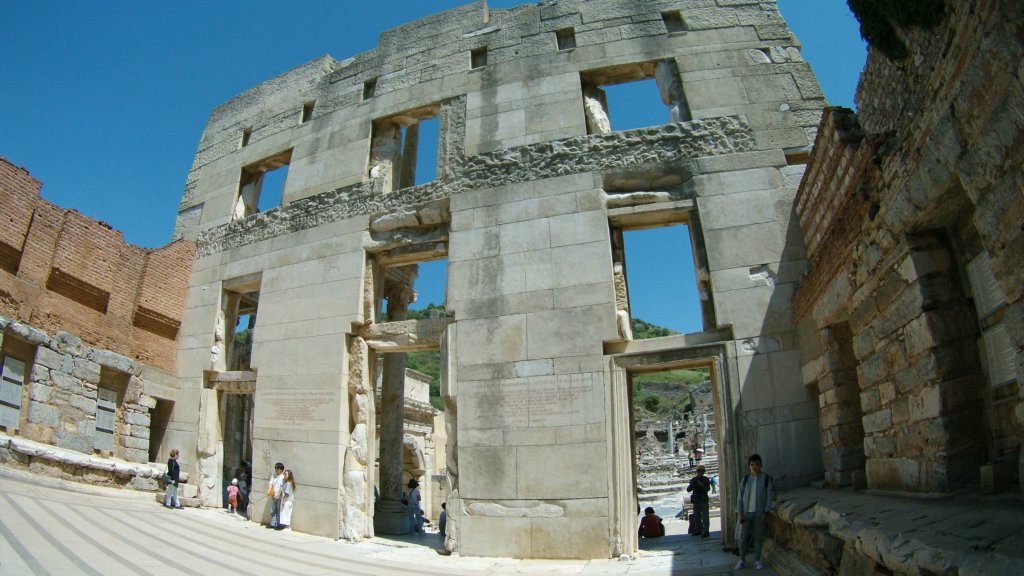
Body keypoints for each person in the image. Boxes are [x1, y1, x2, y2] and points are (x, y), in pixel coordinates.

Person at [735, 454, 775, 571]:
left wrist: (766, 512)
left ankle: (757, 560)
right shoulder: (745, 480)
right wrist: (740, 513)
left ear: (760, 465)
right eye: (752, 465)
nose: (754, 467)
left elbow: (769, 497)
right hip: (746, 514)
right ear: (749, 466)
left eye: (756, 464)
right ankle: (742, 559)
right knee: (743, 538)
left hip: (759, 513)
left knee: (758, 537)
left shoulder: (766, 479)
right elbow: (740, 497)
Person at [686, 465, 712, 538]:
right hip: (696, 500)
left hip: (703, 500)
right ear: (697, 472)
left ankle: (706, 531)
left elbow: (707, 489)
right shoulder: (694, 480)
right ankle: (698, 531)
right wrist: (693, 485)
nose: (700, 473)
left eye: (702, 471)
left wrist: (701, 485)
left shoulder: (706, 479)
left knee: (705, 516)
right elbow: (688, 489)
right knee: (697, 516)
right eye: (699, 471)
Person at [267, 462, 285, 529]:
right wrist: (269, 491)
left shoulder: (283, 477)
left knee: (278, 510)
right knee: (273, 510)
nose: (276, 469)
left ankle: (278, 524)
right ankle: (273, 523)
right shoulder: (273, 476)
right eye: (275, 468)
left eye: (277, 468)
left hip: (279, 496)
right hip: (273, 495)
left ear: (281, 469)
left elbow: (282, 487)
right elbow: (271, 484)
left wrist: (278, 495)